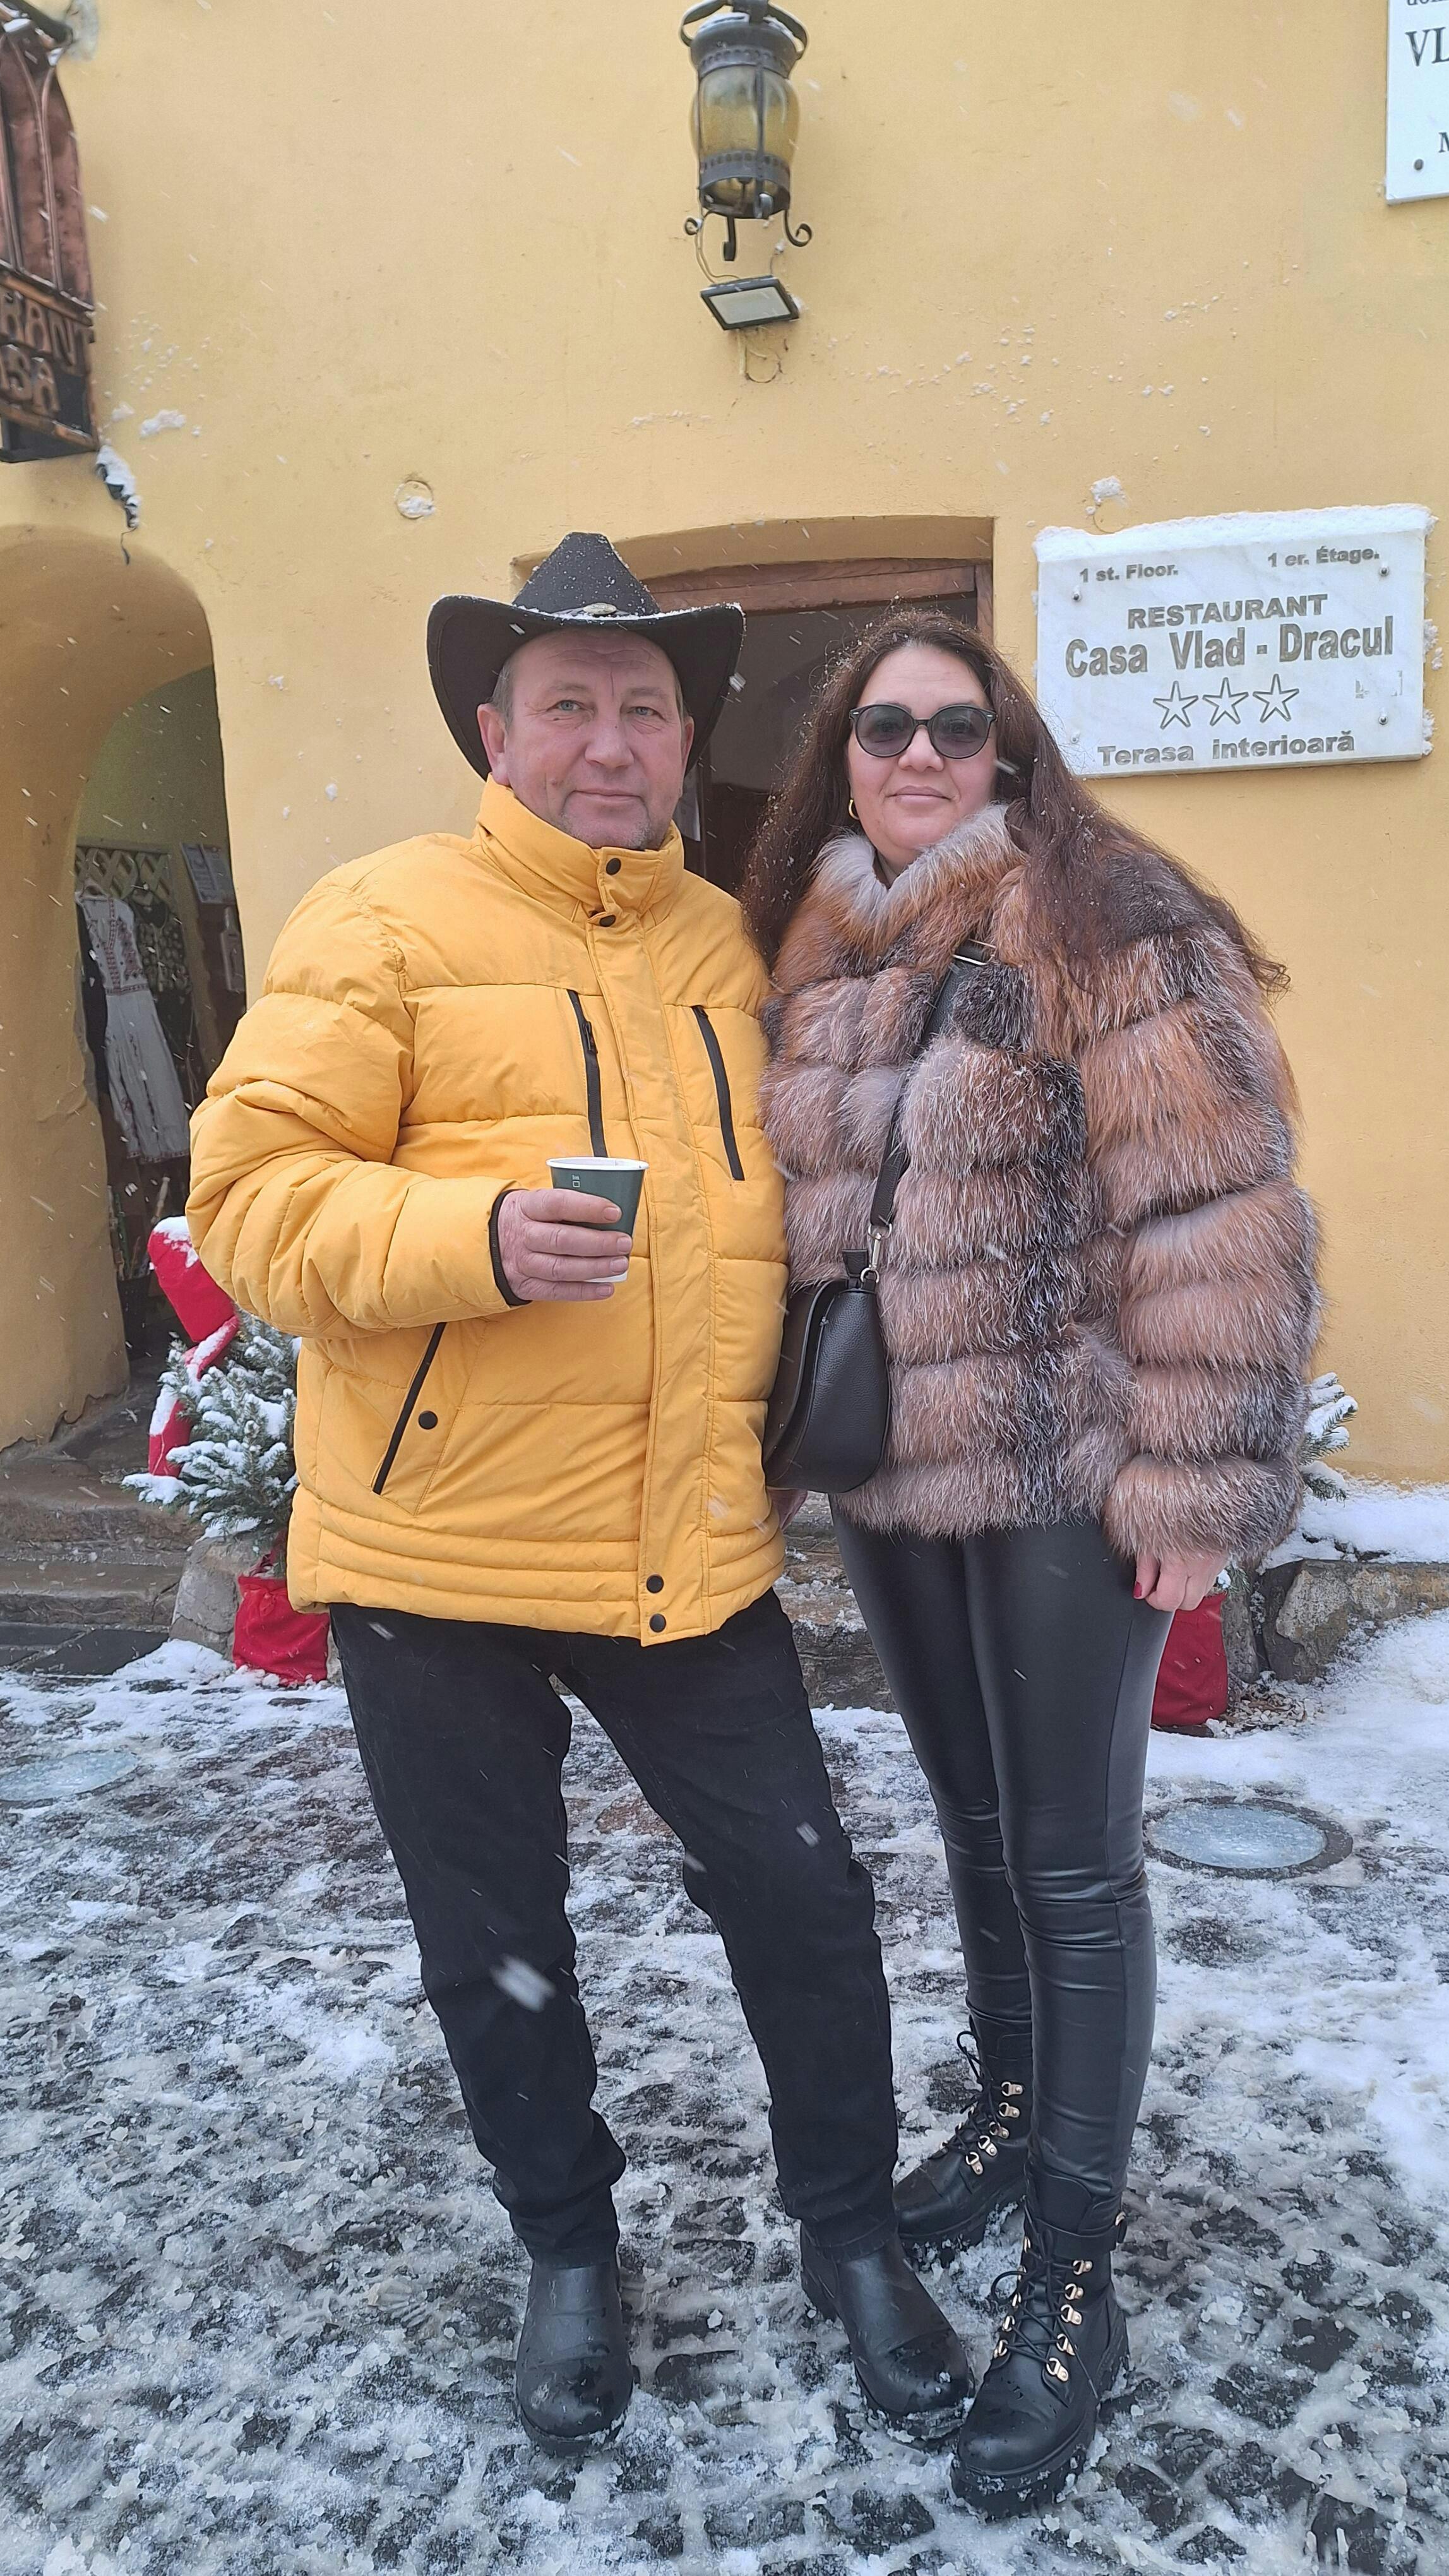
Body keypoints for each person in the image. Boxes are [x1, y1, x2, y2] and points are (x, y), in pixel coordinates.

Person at [187, 536, 969, 2453]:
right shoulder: (380, 919)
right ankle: (565, 2248)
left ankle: (851, 2234)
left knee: (806, 1899)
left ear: (685, 738)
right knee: (496, 1943)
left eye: (644, 710)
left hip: (680, 1541)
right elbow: (250, 1202)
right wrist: (469, 1236)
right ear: (494, 729)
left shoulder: (733, 943)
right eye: (569, 706)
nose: (609, 743)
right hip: (431, 1554)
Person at [746, 613, 1318, 2516]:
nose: (916, 753)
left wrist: (1196, 1488)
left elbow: (1217, 1204)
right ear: (841, 755)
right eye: (882, 726)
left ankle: (1076, 2272)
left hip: (1073, 1466)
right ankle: (1009, 2111)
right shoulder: (818, 941)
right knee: (977, 1831)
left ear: (1008, 750)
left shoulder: (1103, 915)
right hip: (892, 1474)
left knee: (1072, 1864)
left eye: (955, 725)